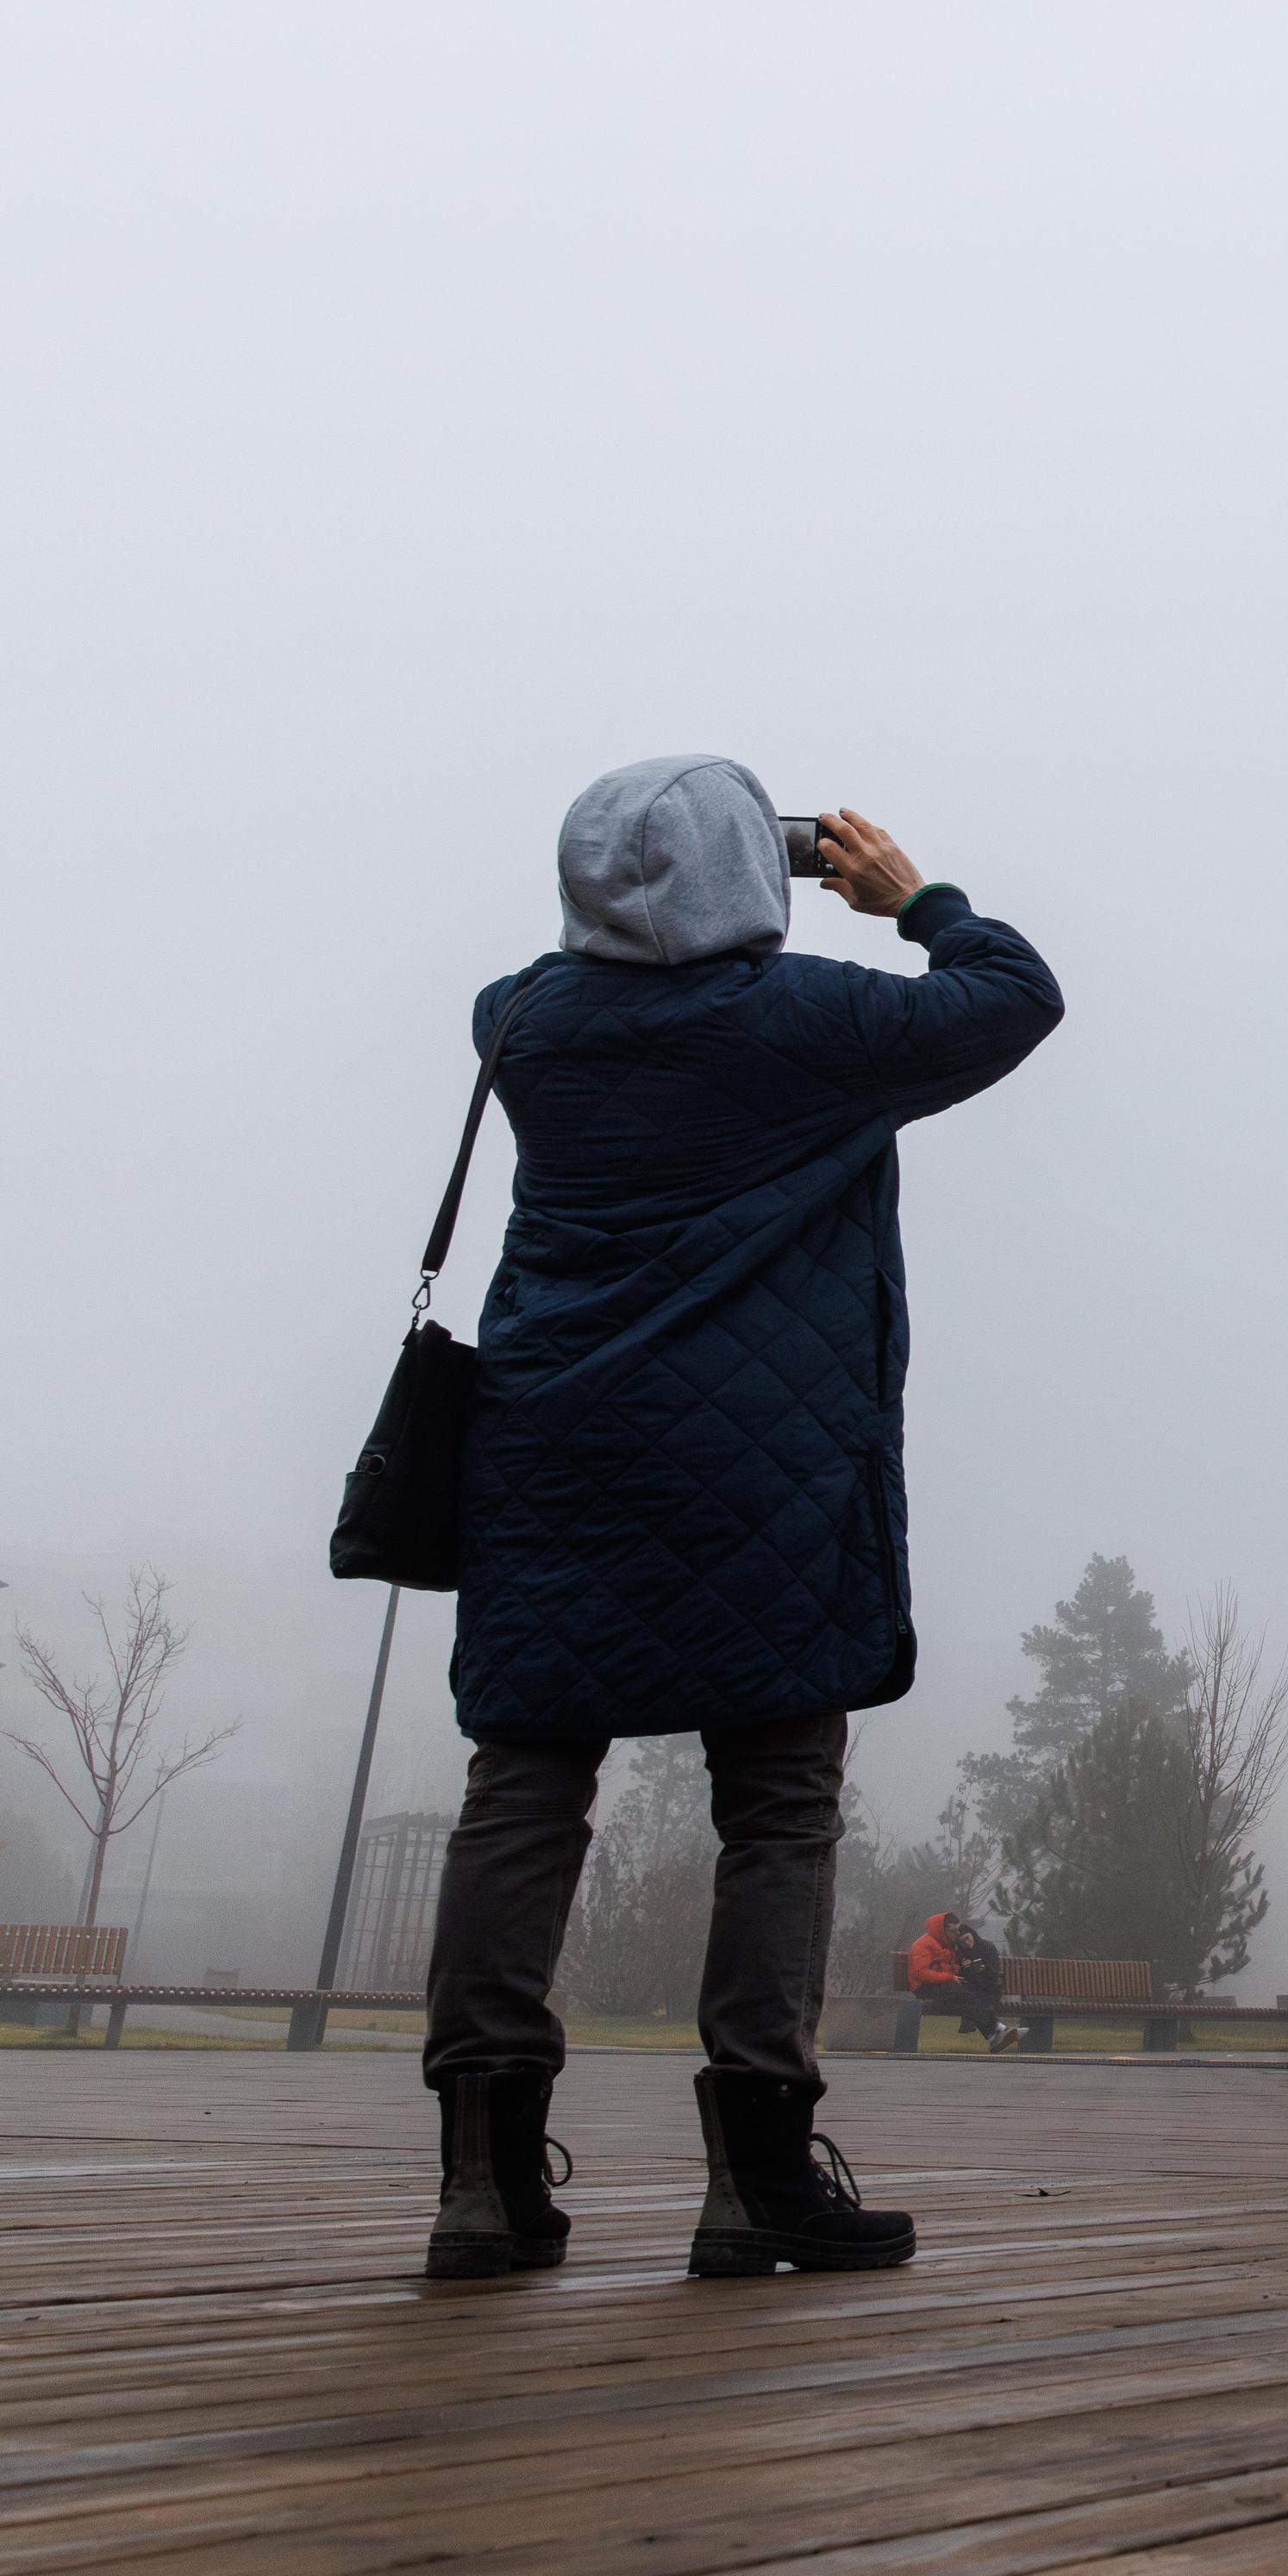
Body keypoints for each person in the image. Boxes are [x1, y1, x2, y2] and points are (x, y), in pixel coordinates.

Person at [420, 761, 1060, 2281]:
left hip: (552, 1457)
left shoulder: (520, 1023)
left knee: (523, 1792)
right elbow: (1011, 993)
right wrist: (913, 895)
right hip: (759, 1475)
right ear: (744, 878)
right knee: (774, 1809)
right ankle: (758, 2176)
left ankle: (482, 2183)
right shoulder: (811, 1025)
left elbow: (586, 965)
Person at [905, 1909, 1017, 2051]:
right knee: (965, 1996)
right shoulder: (923, 1944)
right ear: (943, 1929)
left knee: (970, 1996)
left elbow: (949, 1967)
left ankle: (994, 2036)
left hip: (943, 1986)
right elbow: (920, 1973)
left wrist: (961, 1969)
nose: (958, 1934)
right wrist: (950, 1977)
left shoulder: (946, 1945)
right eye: (955, 1930)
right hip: (925, 1987)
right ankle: (998, 2030)